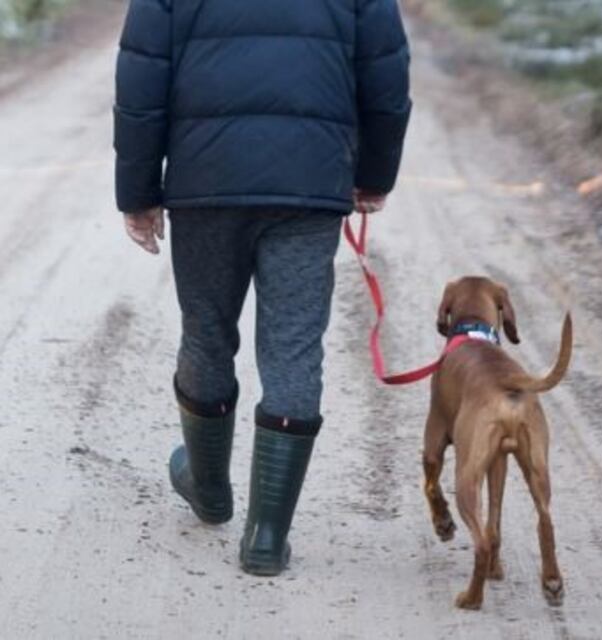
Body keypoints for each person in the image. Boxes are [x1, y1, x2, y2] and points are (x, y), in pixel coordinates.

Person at [113, 0, 411, 576]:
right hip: (309, 187)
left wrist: (139, 192)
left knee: (205, 333)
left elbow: (141, 81)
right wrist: (374, 173)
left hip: (206, 184)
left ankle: (208, 488)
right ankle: (267, 538)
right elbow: (386, 75)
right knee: (294, 348)